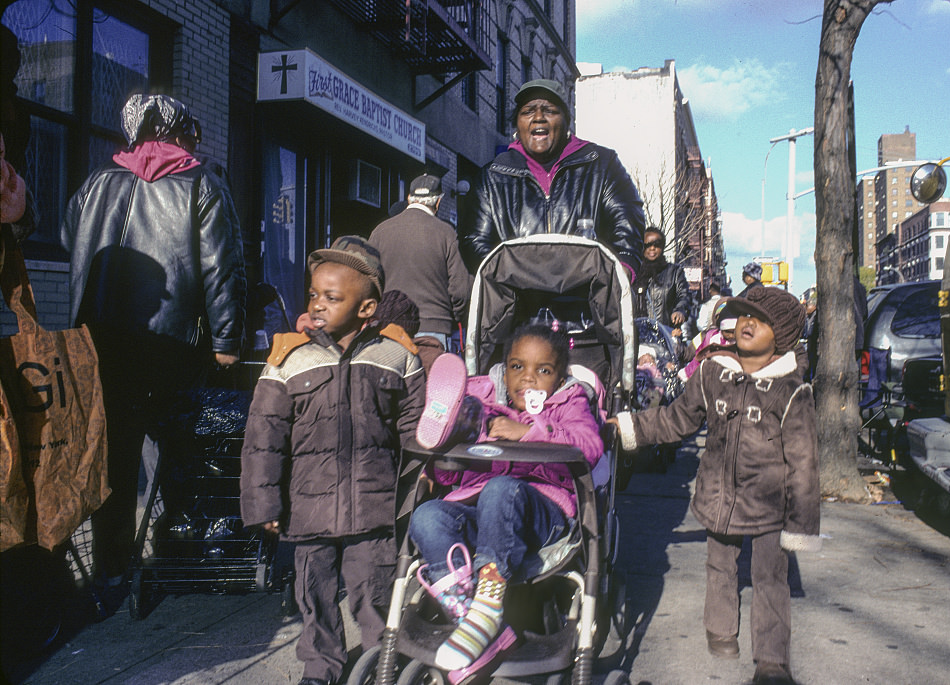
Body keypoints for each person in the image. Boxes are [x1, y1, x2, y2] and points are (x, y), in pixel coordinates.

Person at [60, 94, 246, 599]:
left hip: (101, 341)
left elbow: (67, 236)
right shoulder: (201, 183)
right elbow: (221, 268)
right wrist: (228, 340)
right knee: (181, 446)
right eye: (191, 131)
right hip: (173, 345)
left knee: (114, 454)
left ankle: (112, 568)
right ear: (179, 132)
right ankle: (175, 550)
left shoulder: (98, 181)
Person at [610, 287, 819, 685]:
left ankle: (772, 661)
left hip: (770, 504)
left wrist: (802, 524)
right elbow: (677, 419)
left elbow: (804, 462)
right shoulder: (713, 373)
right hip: (718, 494)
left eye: (759, 320)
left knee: (770, 579)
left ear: (783, 335)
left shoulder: (791, 390)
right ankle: (721, 630)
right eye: (742, 315)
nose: (746, 323)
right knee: (720, 565)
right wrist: (630, 425)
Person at [240, 237, 425, 685]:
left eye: (332, 297)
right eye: (314, 295)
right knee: (314, 595)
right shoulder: (289, 358)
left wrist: (417, 494)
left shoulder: (397, 356)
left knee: (374, 593)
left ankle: (385, 661)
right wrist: (263, 505)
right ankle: (321, 668)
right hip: (309, 507)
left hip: (373, 507)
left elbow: (416, 431)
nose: (318, 304)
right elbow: (263, 438)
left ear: (366, 308)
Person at [409, 324, 604, 676]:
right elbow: (453, 479)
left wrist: (530, 431)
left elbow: (588, 446)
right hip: (483, 508)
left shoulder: (567, 403)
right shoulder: (485, 407)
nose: (527, 378)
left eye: (542, 371)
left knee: (501, 488)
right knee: (427, 515)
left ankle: (485, 607)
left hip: (543, 513)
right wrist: (447, 458)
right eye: (517, 367)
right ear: (503, 369)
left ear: (559, 379)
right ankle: (469, 612)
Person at [461, 78, 644, 276]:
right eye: (528, 111)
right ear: (517, 125)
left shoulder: (602, 164)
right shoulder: (492, 177)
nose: (538, 117)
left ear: (567, 121)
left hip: (586, 299)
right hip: (517, 301)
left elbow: (627, 223)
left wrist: (622, 268)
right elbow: (474, 242)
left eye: (550, 110)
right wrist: (520, 276)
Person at [369, 173, 472, 351]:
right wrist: (454, 316)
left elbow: (369, 281)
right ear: (438, 202)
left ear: (409, 199)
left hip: (388, 327)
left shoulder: (380, 231)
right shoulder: (446, 233)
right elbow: (461, 290)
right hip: (433, 328)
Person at [635, 227, 694, 332]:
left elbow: (684, 296)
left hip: (666, 335)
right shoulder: (635, 272)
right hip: (638, 335)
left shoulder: (674, 272)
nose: (652, 248)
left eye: (657, 245)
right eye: (647, 245)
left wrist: (680, 311)